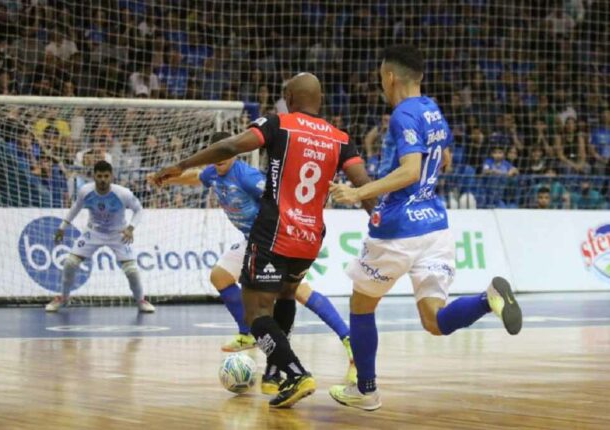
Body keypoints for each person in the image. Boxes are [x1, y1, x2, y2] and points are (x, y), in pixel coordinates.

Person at [151, 73, 374, 408]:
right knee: (286, 294)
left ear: (288, 97)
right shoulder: (341, 139)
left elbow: (229, 146)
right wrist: (378, 218)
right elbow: (362, 183)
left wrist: (180, 164)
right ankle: (278, 372)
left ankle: (295, 372)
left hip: (273, 231)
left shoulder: (278, 124)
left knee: (256, 315)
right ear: (321, 99)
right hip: (311, 236)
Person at [327, 45, 522, 411]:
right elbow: (444, 157)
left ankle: (366, 390)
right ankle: (488, 298)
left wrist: (358, 193)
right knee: (435, 321)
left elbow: (411, 170)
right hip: (435, 225)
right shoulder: (432, 109)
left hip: (398, 227)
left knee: (361, 305)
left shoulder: (402, 115)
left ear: (390, 77)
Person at [46, 161, 156, 313]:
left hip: (118, 233)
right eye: (99, 176)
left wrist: (130, 228)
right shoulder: (85, 191)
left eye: (106, 176)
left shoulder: (123, 193)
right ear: (94, 176)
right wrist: (62, 227)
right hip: (93, 232)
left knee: (132, 270)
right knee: (70, 263)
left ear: (111, 176)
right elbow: (75, 208)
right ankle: (63, 298)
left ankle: (141, 301)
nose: (103, 179)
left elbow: (139, 210)